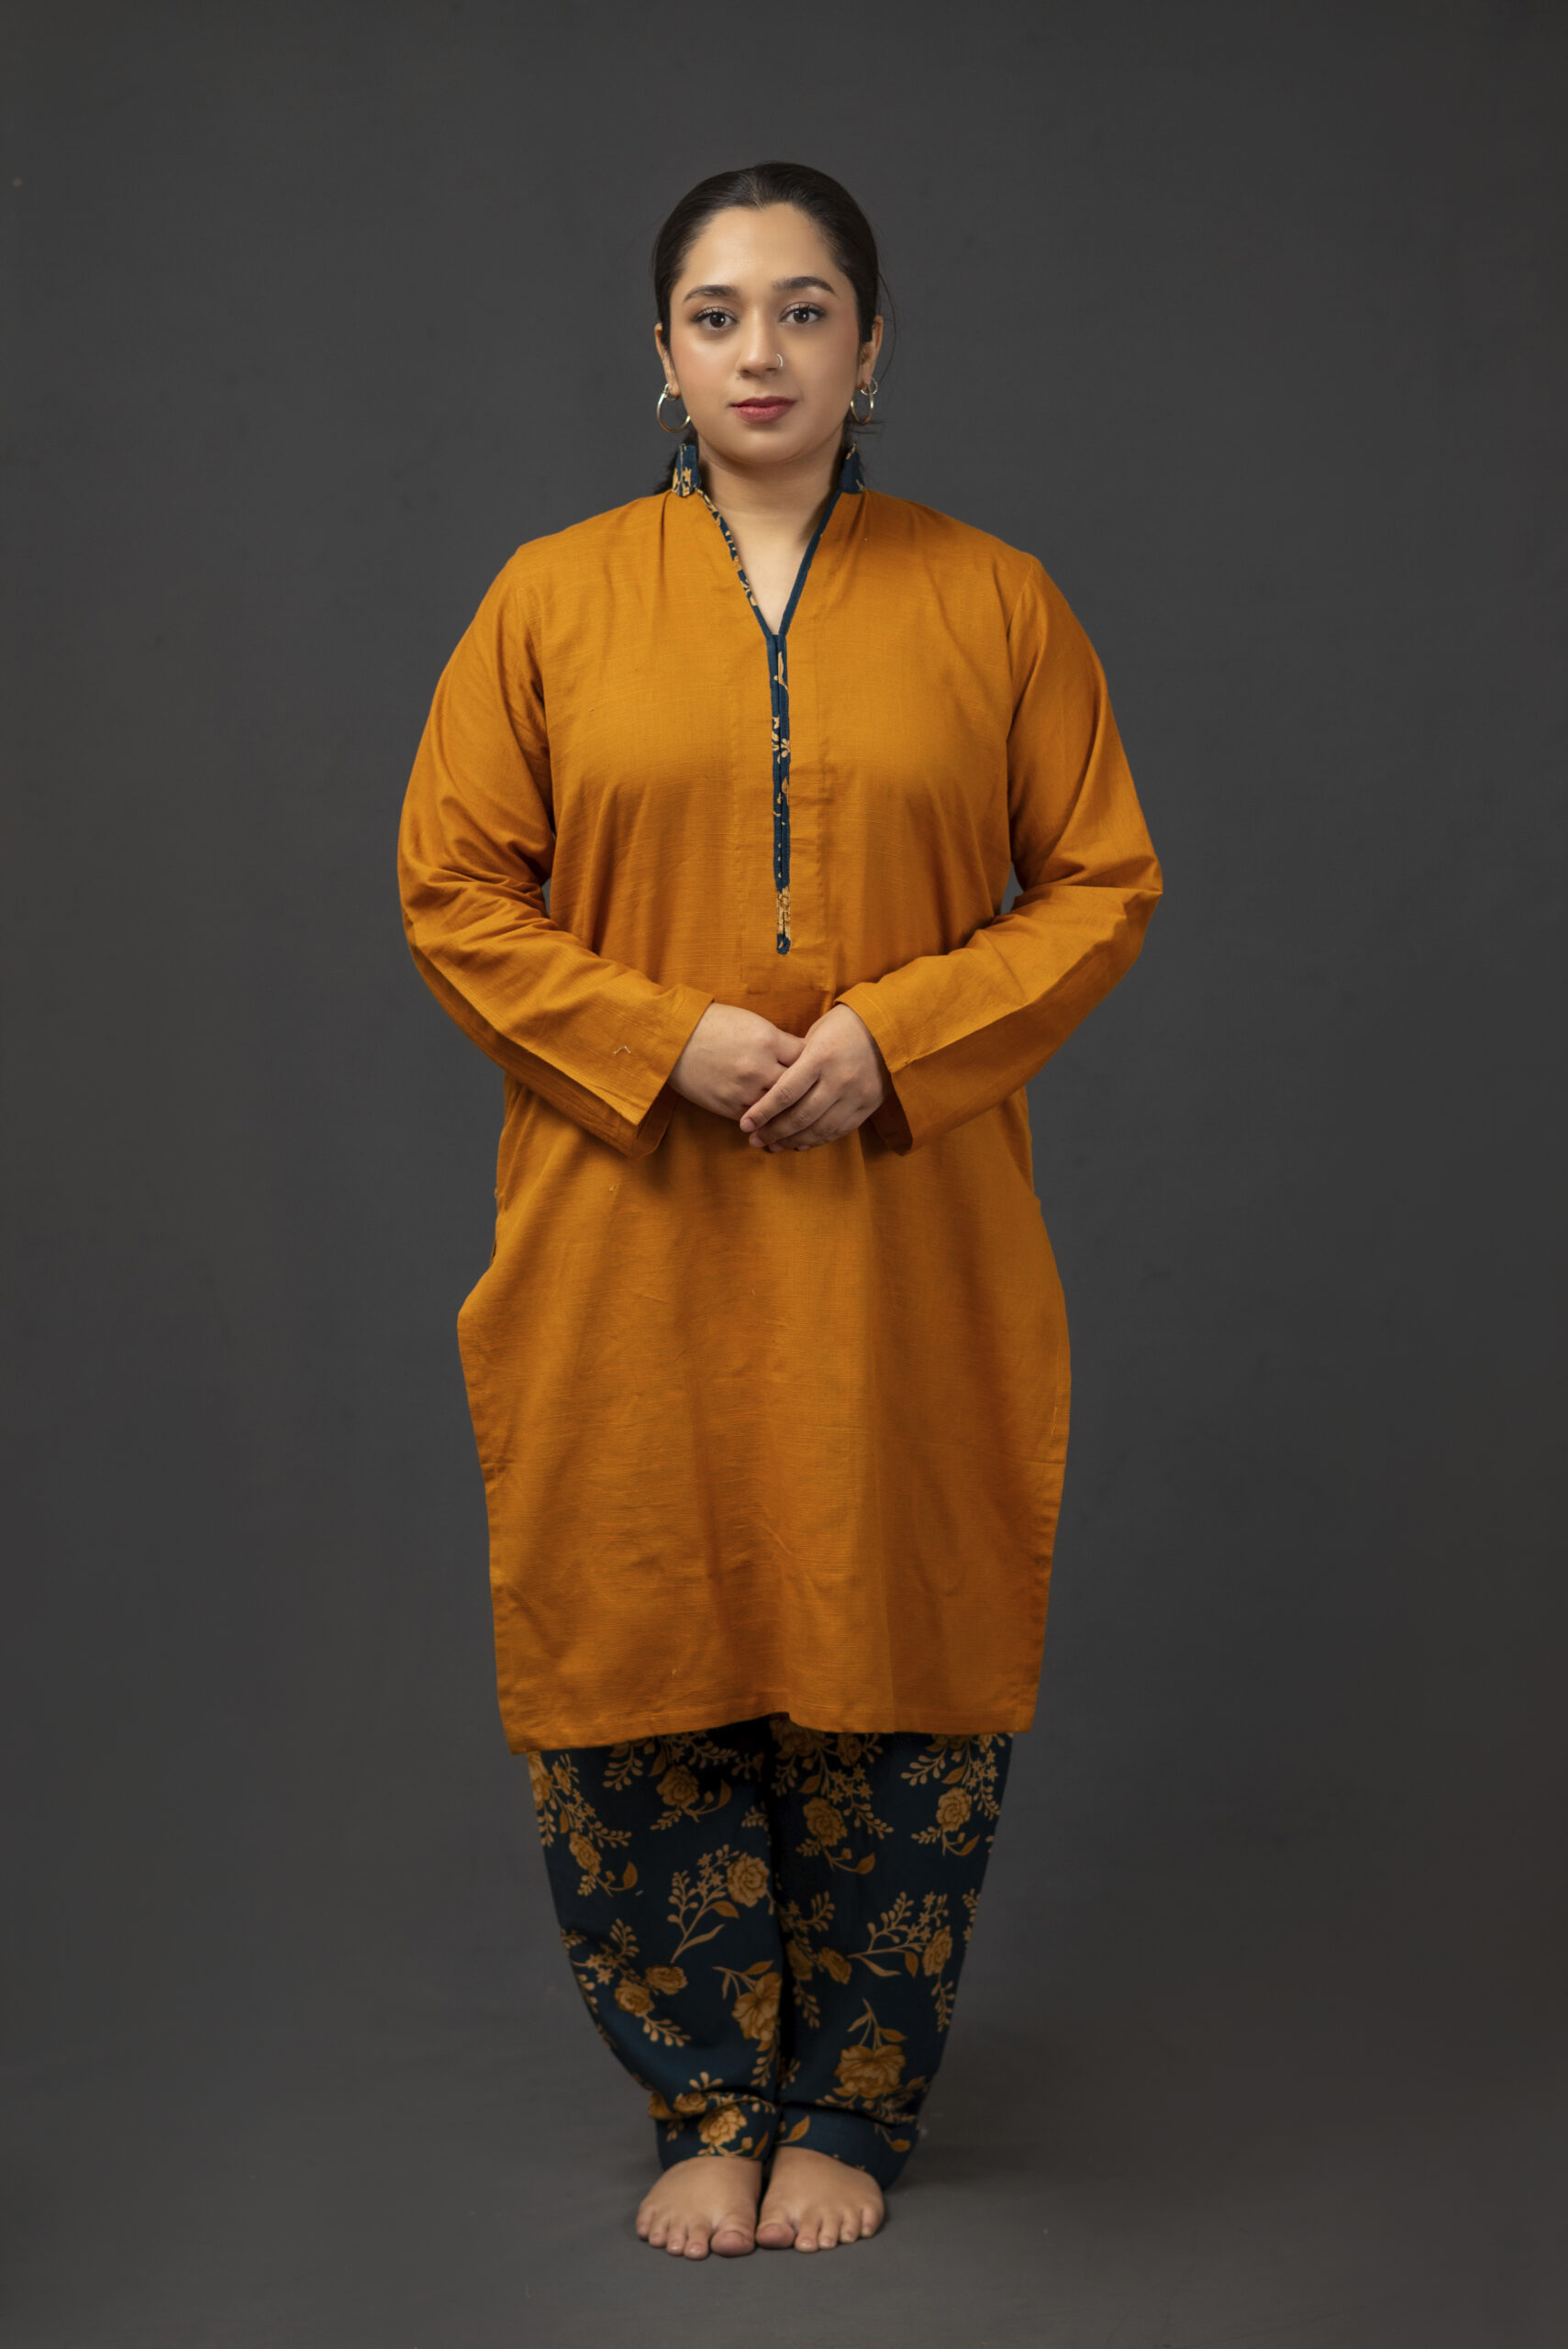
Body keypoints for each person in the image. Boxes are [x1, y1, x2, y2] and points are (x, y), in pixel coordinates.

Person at [396, 160, 1162, 2261]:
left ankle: (851, 2095)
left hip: (906, 1237)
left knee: (888, 1607)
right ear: (661, 353)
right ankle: (705, 2089)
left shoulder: (993, 599)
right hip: (626, 1225)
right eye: (719, 314)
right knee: (642, 1603)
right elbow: (450, 887)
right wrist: (668, 1039)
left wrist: (901, 1035)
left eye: (805, 309)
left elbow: (1101, 881)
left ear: (871, 346)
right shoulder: (549, 599)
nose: (762, 351)